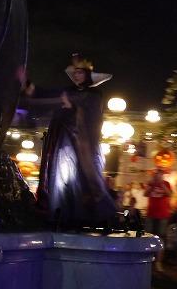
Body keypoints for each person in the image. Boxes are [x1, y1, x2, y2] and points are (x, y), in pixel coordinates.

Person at [35, 54, 117, 228]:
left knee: (85, 176)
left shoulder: (94, 95)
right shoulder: (68, 91)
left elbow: (92, 117)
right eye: (75, 73)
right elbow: (49, 96)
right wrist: (29, 86)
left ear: (87, 75)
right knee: (62, 177)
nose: (77, 75)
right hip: (64, 142)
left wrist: (73, 106)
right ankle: (63, 213)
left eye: (80, 72)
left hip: (83, 144)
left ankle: (90, 214)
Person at [145, 169, 172, 272]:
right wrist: (152, 185)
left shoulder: (166, 184)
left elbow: (169, 194)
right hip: (151, 214)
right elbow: (145, 194)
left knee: (161, 238)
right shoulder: (150, 183)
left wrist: (161, 184)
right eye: (156, 175)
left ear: (162, 176)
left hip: (162, 215)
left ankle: (158, 262)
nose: (157, 176)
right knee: (148, 237)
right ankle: (148, 260)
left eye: (159, 175)